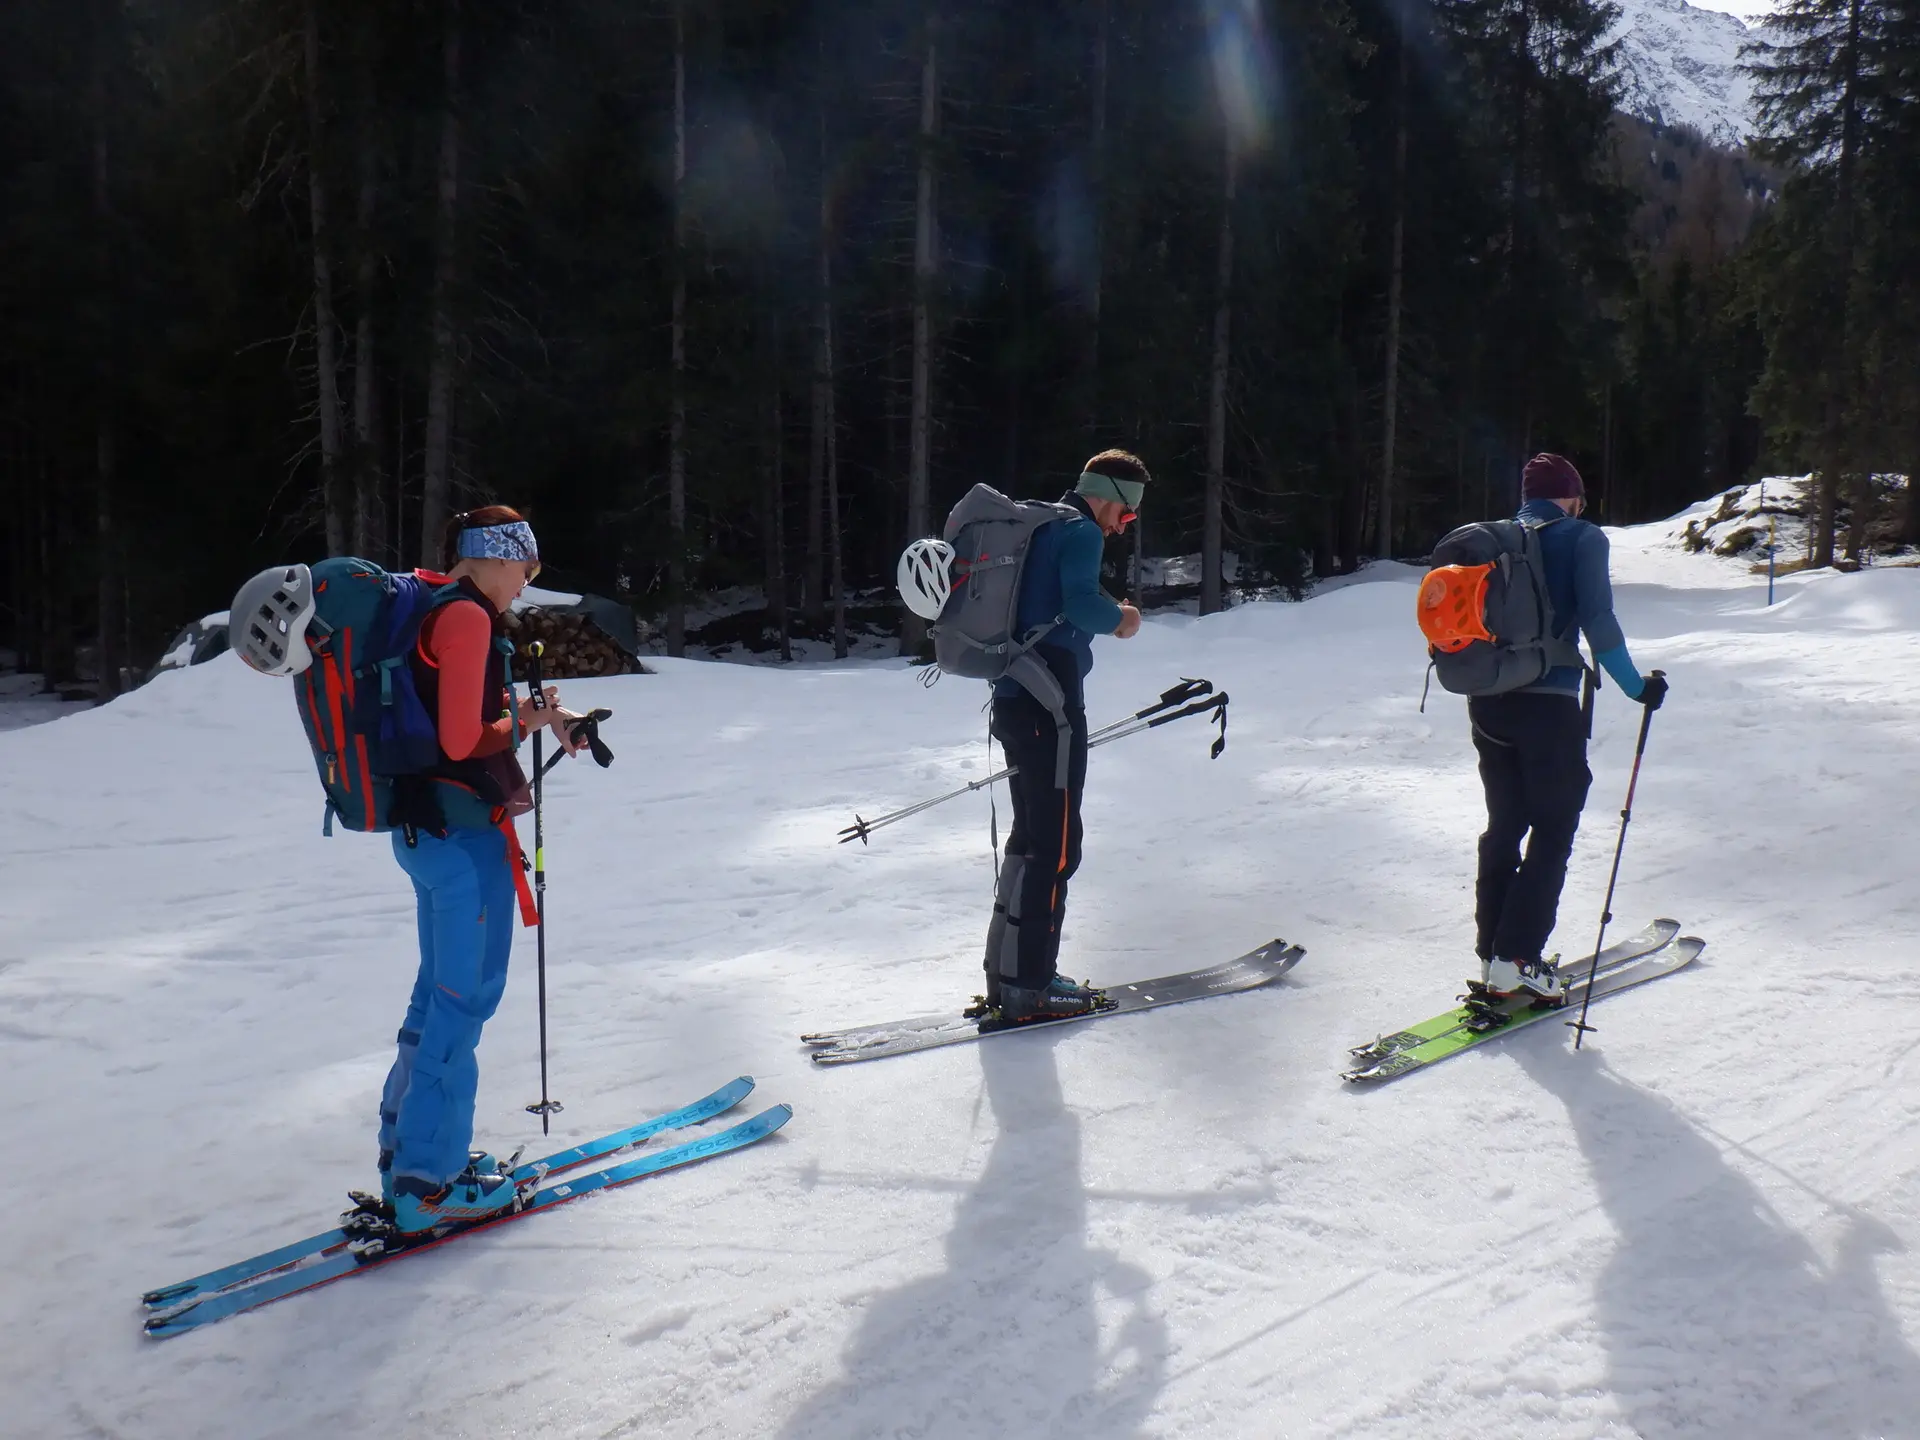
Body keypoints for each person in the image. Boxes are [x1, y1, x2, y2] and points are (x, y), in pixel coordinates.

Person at [376, 505, 590, 1233]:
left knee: (435, 999)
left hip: (429, 832)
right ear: (495, 556)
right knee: (462, 1004)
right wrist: (525, 722)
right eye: (525, 568)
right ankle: (427, 1185)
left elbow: (457, 724)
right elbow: (464, 738)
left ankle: (406, 1158)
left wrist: (534, 718)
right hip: (463, 843)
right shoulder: (467, 617)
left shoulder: (436, 607)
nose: (526, 584)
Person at [1471, 454, 1667, 1003]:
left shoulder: (1495, 540)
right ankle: (1517, 958)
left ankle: (1492, 956)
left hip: (1486, 703)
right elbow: (1598, 621)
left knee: (1505, 826)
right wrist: (1637, 687)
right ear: (1573, 496)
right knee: (1553, 828)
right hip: (1547, 707)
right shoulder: (1581, 537)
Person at [985, 450, 1146, 1022]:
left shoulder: (1042, 526)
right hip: (1049, 708)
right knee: (1056, 847)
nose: (1122, 526)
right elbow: (1080, 606)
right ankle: (1032, 986)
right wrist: (1122, 619)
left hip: (1013, 700)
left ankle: (1006, 976)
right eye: (1126, 513)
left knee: (1030, 838)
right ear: (1108, 495)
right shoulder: (1081, 532)